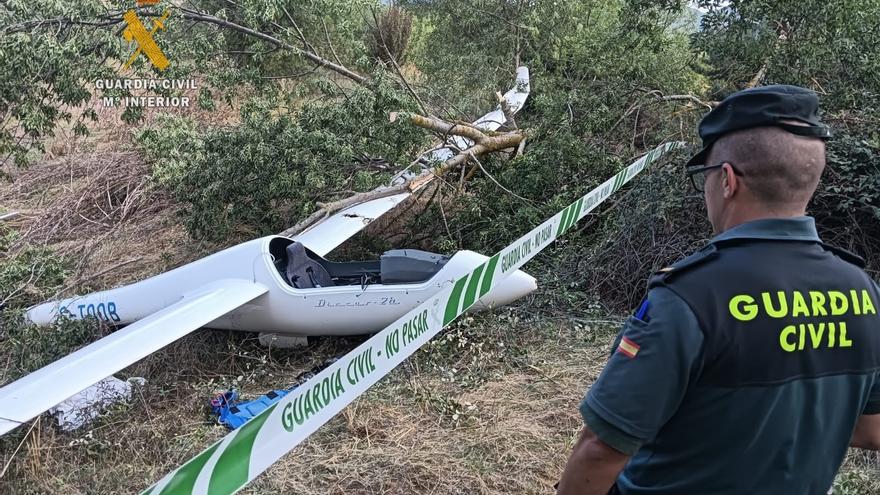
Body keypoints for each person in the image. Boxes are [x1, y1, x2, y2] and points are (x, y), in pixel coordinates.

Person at [556, 85, 880, 495]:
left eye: (705, 177)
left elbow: (602, 447)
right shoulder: (863, 291)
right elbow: (871, 429)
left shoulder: (688, 298)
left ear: (726, 180)